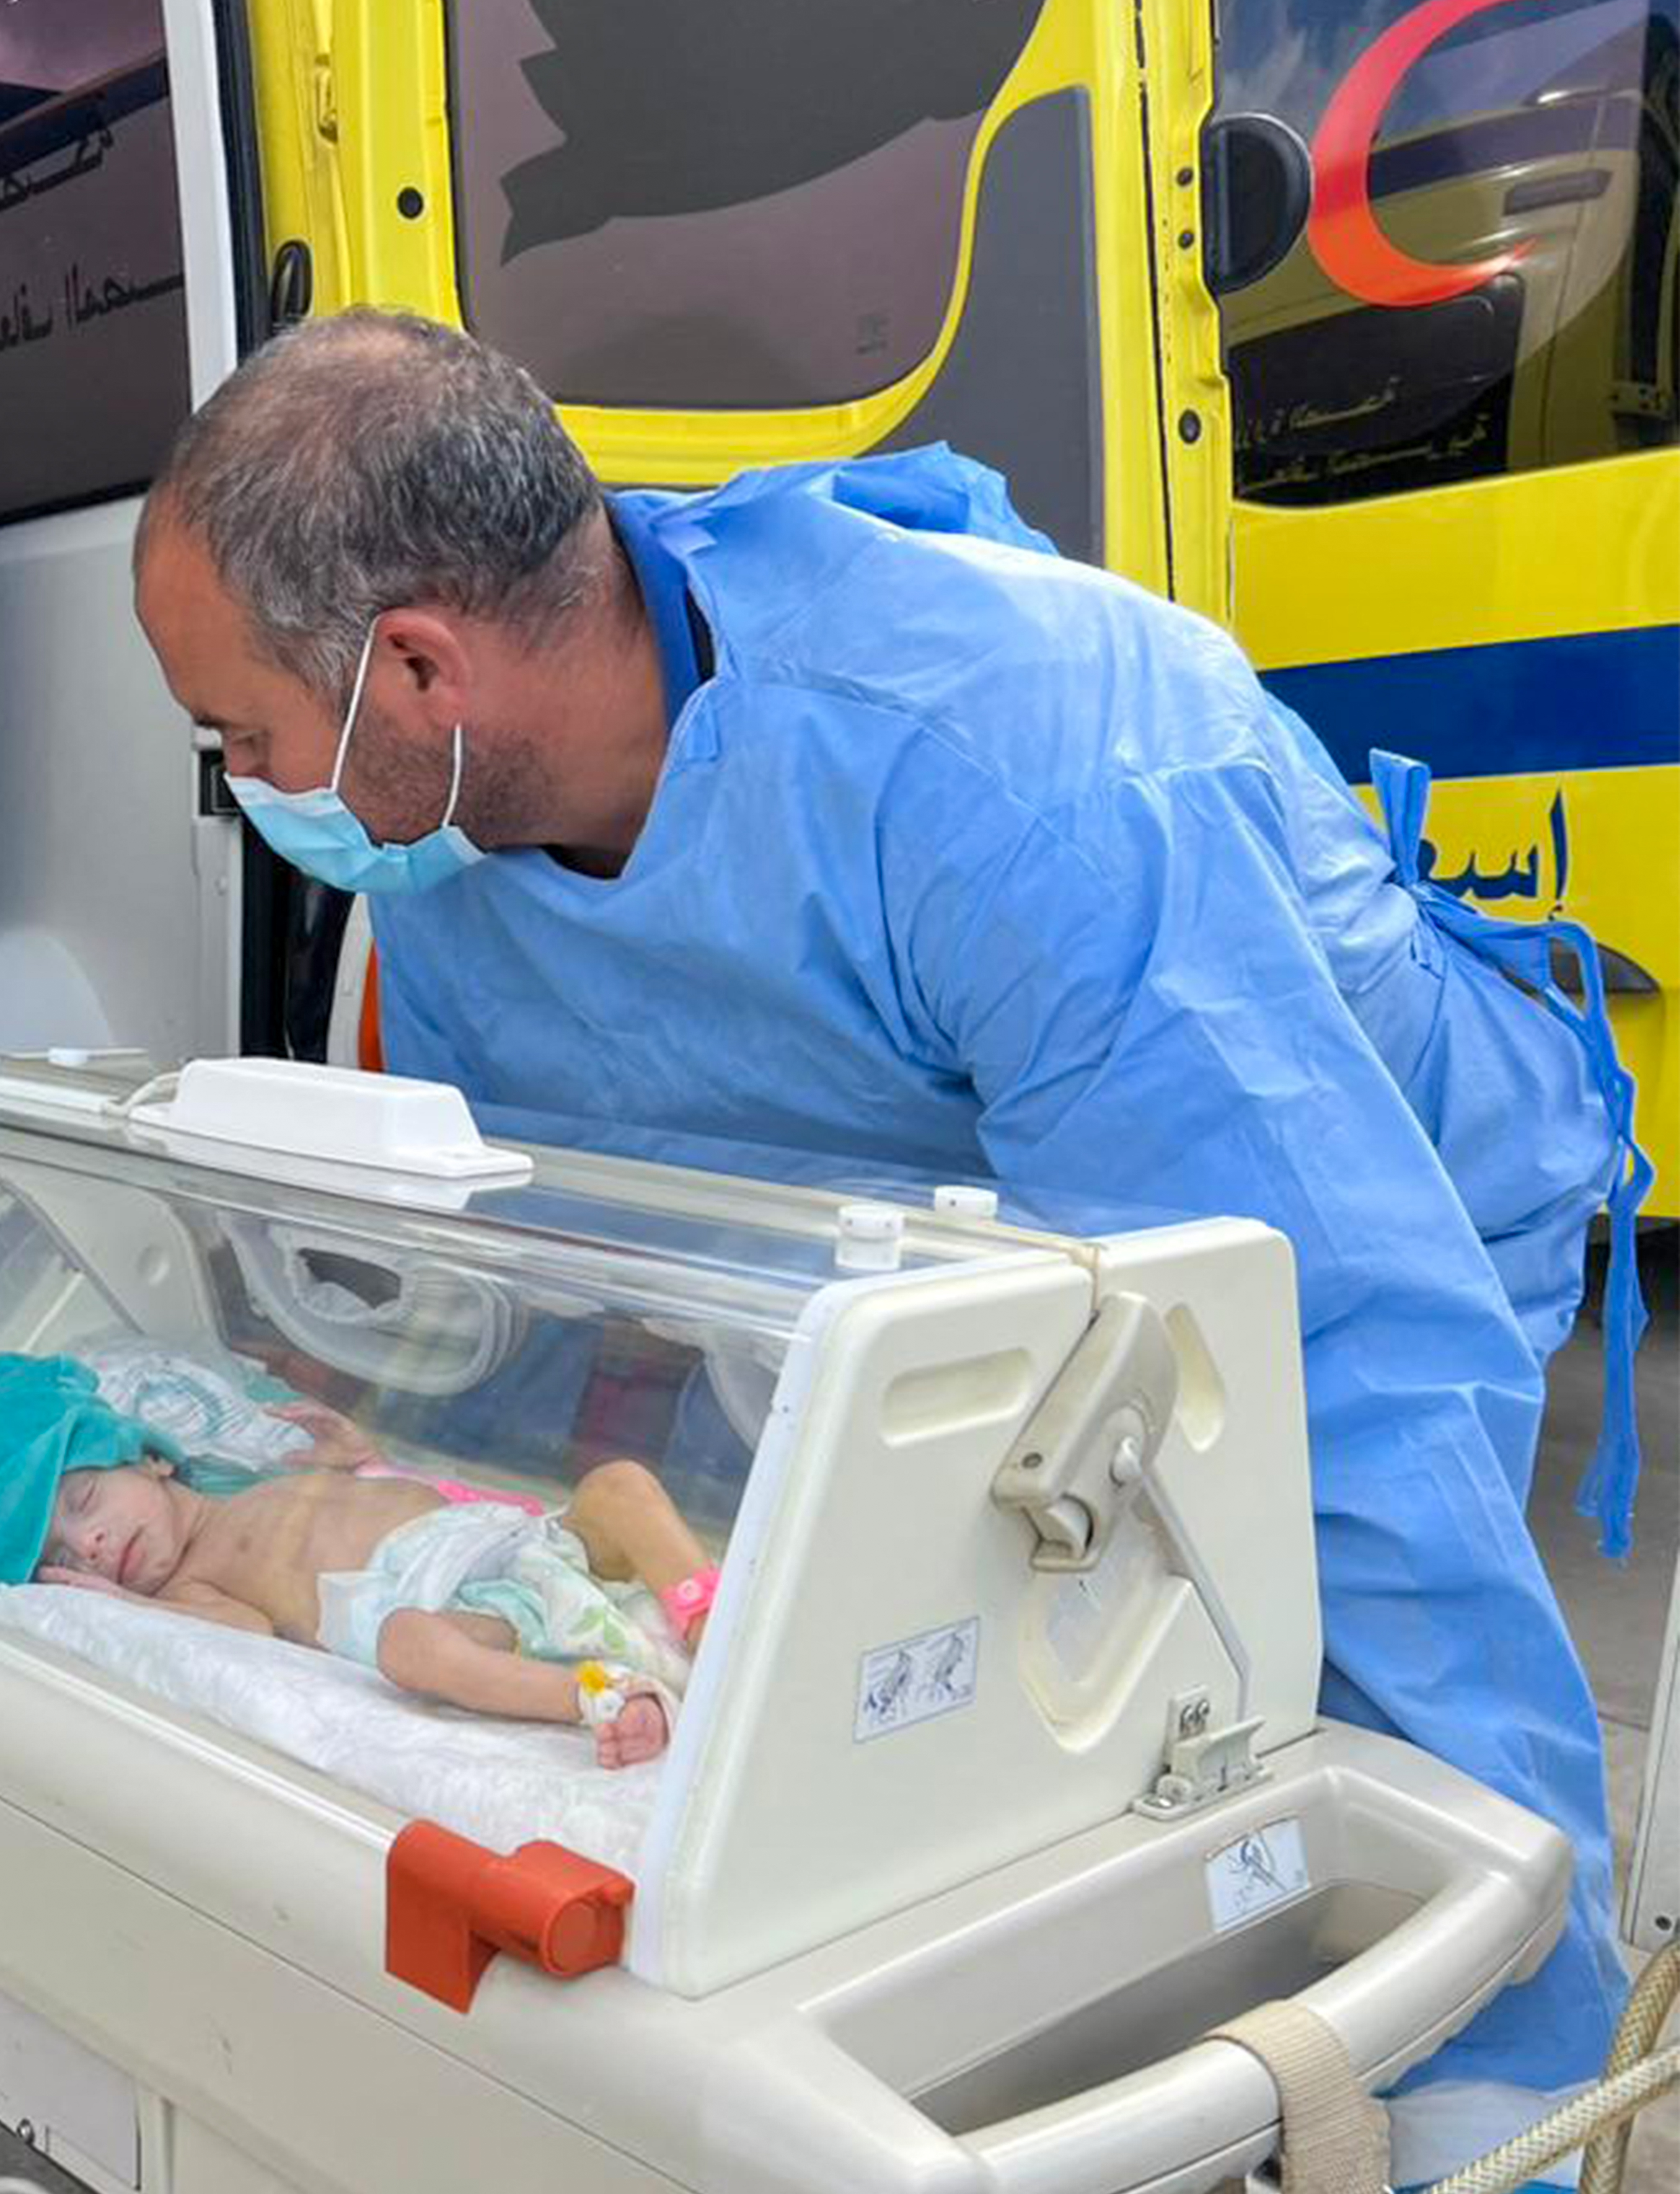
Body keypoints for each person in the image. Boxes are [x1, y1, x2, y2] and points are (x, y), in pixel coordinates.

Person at [130, 308, 1653, 2180]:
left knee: (1311, 1679)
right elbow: (569, 1286)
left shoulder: (1021, 770)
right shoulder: (450, 845)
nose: (249, 790)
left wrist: (1488, 2016)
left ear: (420, 666)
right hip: (989, 1186)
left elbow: (1326, 1383)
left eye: (241, 738)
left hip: (1376, 1167)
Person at [0, 1354, 708, 1768]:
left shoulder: (262, 1485)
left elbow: (407, 1503)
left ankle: (712, 1626)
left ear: (150, 1459)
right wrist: (124, 1608)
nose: (94, 1546)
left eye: (83, 1506)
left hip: (515, 1545)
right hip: (471, 1611)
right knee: (409, 1646)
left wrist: (366, 1464)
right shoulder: (196, 1582)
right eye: (66, 1557)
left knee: (620, 1487)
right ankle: (598, 1696)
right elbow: (240, 1629)